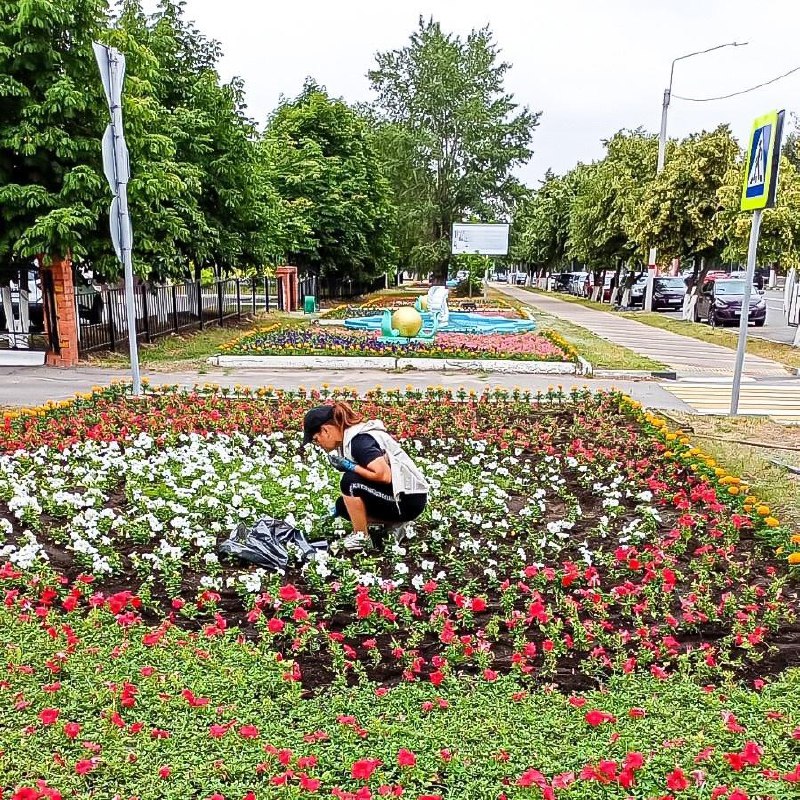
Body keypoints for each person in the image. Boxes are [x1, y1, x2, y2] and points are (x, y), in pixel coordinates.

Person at [303, 401, 429, 551]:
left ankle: (361, 538)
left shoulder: (359, 441)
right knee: (343, 506)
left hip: (408, 500)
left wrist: (351, 467)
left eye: (317, 439)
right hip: (400, 496)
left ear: (326, 430)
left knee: (350, 483)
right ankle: (395, 523)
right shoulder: (351, 439)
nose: (319, 445)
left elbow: (384, 475)